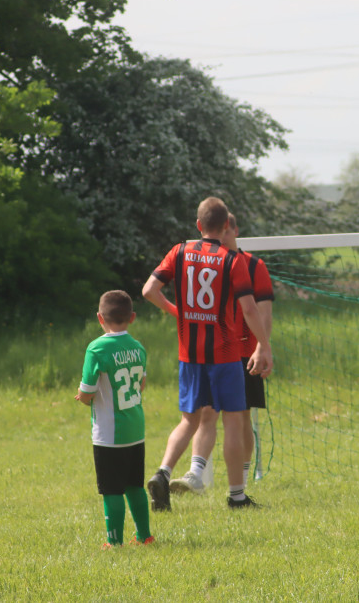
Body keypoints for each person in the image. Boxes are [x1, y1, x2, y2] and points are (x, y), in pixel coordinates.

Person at [143, 197, 273, 510]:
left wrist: (178, 312)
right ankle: (237, 497)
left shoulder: (180, 251)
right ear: (226, 226)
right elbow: (249, 309)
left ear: (198, 225)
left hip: (190, 354)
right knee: (232, 422)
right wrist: (264, 344)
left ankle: (163, 473)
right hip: (225, 355)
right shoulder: (233, 260)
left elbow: (149, 291)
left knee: (189, 420)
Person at [74, 290, 154, 549]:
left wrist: (82, 398)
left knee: (111, 489)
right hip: (135, 428)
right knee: (134, 485)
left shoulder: (97, 348)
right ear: (132, 317)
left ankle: (114, 542)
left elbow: (87, 392)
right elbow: (141, 385)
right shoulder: (138, 347)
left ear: (100, 318)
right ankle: (144, 536)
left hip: (109, 433)